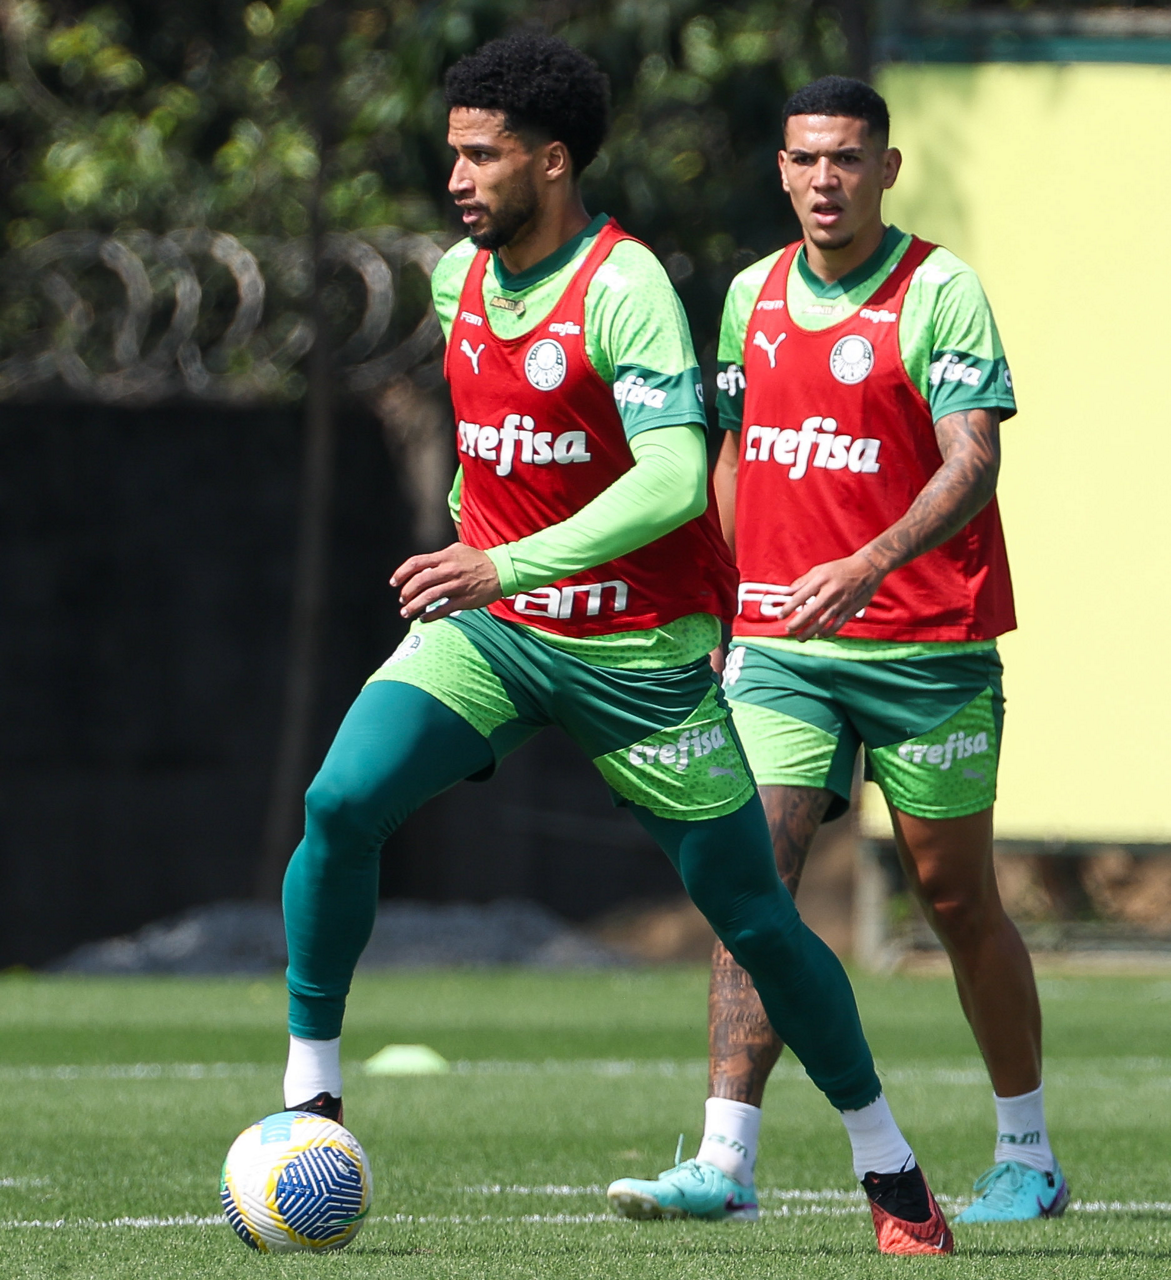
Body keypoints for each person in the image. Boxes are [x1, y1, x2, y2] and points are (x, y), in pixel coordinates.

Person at [277, 37, 952, 1256]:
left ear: (551, 160)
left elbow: (674, 478)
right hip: (493, 635)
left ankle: (887, 1162)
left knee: (752, 914)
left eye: (482, 156)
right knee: (340, 801)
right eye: (452, 154)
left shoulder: (623, 284)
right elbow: (496, 451)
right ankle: (309, 1103)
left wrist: (504, 561)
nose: (457, 178)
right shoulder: (457, 280)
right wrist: (479, 556)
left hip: (636, 655)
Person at [607, 76, 1067, 1227]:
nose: (827, 179)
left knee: (956, 898)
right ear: (780, 168)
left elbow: (972, 460)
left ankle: (1027, 1153)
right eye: (807, 159)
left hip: (927, 643)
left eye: (848, 158)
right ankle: (725, 1159)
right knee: (748, 878)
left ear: (885, 169)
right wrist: (718, 606)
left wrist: (869, 561)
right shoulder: (749, 294)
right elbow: (730, 453)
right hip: (780, 646)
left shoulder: (939, 290)